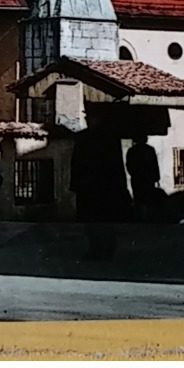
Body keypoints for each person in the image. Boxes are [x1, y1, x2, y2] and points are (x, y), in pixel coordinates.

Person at [69, 108, 132, 260]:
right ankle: (95, 248)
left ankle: (107, 247)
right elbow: (76, 163)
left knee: (104, 220)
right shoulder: (84, 137)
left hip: (104, 187)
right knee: (91, 221)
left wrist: (120, 187)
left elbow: (116, 165)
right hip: (89, 187)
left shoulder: (108, 138)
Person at [125, 134, 160, 221]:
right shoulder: (149, 150)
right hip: (147, 179)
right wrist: (156, 177)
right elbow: (154, 164)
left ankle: (140, 217)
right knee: (147, 198)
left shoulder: (132, 151)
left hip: (138, 178)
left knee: (139, 198)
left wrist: (134, 173)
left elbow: (129, 165)